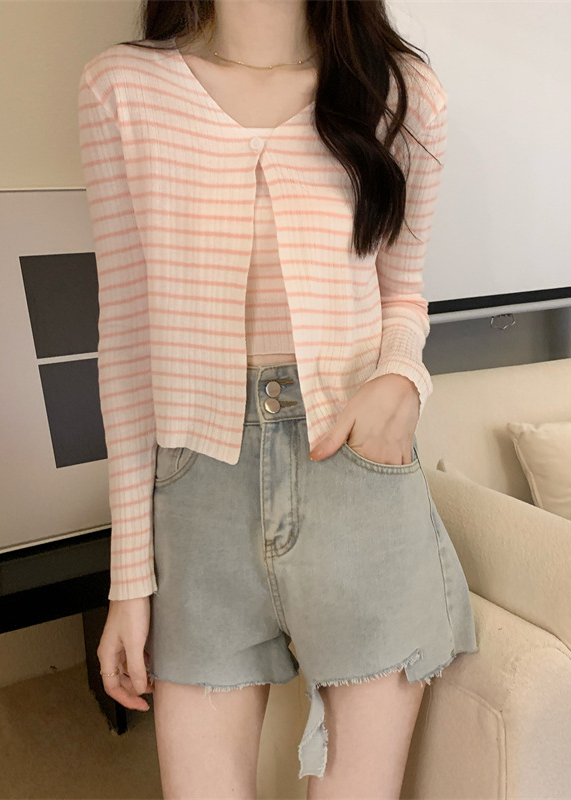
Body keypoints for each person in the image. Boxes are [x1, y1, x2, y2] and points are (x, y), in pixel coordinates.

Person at [77, 1, 478, 796]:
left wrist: (401, 377)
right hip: (198, 490)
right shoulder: (121, 90)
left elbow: (403, 295)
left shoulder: (402, 92)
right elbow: (125, 340)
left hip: (354, 473)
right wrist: (128, 580)